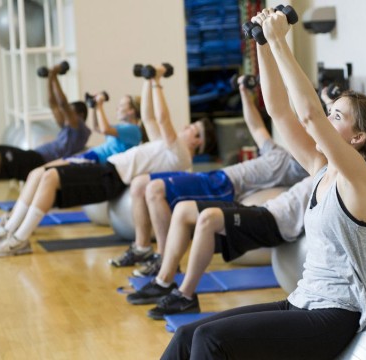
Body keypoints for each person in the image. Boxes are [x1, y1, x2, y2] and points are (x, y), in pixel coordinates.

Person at [161, 8, 366, 360]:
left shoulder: (360, 180)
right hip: (300, 301)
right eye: (330, 112)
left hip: (332, 317)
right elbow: (280, 111)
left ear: (358, 137)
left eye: (336, 116)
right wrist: (262, 45)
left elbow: (308, 114)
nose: (326, 119)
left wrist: (279, 40)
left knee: (211, 341)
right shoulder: (320, 168)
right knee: (186, 335)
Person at [0, 64, 216, 257]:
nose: (186, 128)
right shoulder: (166, 146)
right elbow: (149, 117)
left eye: (193, 130)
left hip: (112, 177)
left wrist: (157, 82)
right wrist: (147, 80)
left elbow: (163, 120)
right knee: (40, 174)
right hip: (108, 168)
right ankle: (10, 231)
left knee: (50, 176)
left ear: (198, 142)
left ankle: (20, 239)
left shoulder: (180, 154)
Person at [108, 75, 309, 275]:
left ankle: (162, 258)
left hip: (225, 186)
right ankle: (151, 252)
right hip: (218, 177)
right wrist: (244, 94)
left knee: (154, 189)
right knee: (147, 186)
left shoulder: (302, 165)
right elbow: (255, 126)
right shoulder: (277, 150)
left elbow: (285, 117)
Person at [125, 176, 312, 315]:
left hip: (274, 223)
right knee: (183, 209)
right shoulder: (321, 167)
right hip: (263, 208)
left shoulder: (334, 170)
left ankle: (185, 296)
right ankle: (163, 280)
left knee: (209, 218)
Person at [0, 61, 91, 216]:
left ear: (79, 115)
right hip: (31, 156)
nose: (65, 116)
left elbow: (62, 103)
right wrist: (50, 79)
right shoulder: (68, 128)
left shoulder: (80, 129)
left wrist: (54, 74)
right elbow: (54, 104)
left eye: (69, 113)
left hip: (38, 161)